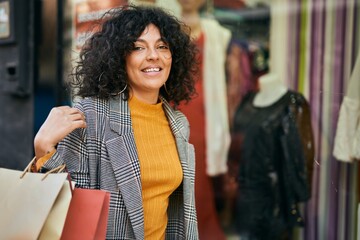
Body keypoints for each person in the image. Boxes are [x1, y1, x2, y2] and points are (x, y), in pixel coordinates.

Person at [32, 5, 199, 240]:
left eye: (162, 46)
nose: (154, 55)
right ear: (119, 57)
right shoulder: (91, 115)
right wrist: (43, 148)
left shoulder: (178, 124)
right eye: (138, 47)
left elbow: (179, 213)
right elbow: (67, 200)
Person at [176, 0, 231, 239]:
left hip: (201, 109)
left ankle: (199, 230)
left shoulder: (217, 32)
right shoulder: (169, 27)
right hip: (174, 103)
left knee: (196, 172)